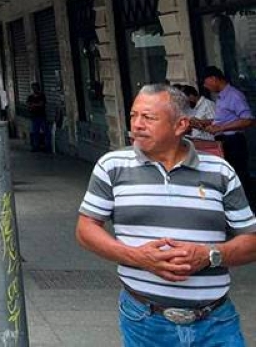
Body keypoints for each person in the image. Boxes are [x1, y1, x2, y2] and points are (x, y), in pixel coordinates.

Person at [76, 84, 256, 346]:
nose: (137, 125)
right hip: (144, 321)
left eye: (148, 117)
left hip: (215, 323)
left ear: (180, 124)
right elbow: (85, 229)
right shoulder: (112, 166)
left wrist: (210, 255)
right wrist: (138, 257)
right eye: (133, 116)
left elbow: (251, 241)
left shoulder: (220, 171)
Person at [198, 66, 255, 202]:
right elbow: (222, 119)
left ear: (214, 79)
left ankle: (247, 204)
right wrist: (203, 123)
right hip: (224, 141)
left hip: (234, 141)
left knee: (239, 174)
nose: (206, 87)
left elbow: (248, 119)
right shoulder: (221, 97)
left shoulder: (233, 95)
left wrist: (221, 128)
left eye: (206, 83)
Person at [27, 83, 49, 152]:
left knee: (46, 132)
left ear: (38, 88)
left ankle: (47, 147)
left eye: (35, 88)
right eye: (33, 88)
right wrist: (35, 105)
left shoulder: (42, 96)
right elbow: (29, 105)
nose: (34, 89)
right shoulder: (30, 97)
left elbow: (41, 104)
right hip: (34, 117)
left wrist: (33, 105)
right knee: (35, 132)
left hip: (42, 116)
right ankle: (36, 147)